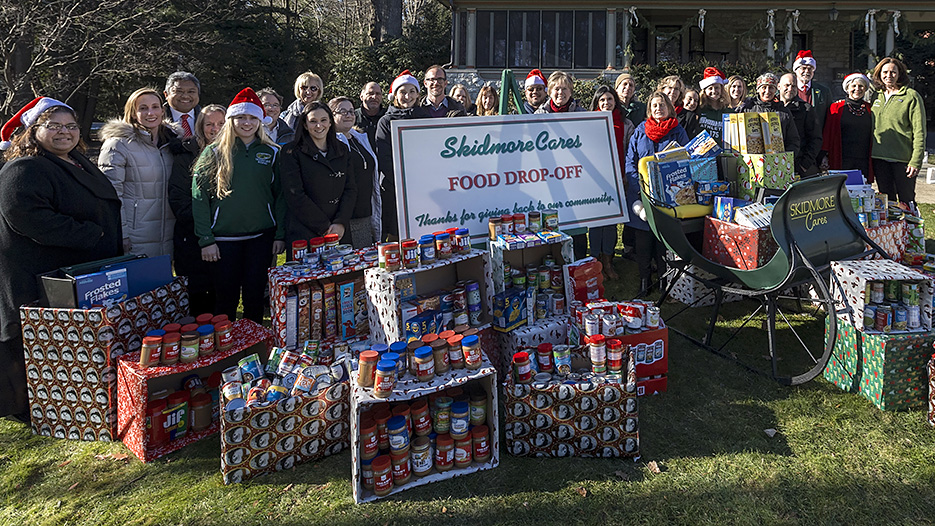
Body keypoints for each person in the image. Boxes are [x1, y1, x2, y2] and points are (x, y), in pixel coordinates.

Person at [0, 98, 122, 421]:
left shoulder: (75, 160)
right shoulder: (24, 168)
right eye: (53, 126)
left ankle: (67, 400)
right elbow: (26, 215)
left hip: (74, 272)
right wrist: (90, 235)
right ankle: (36, 409)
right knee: (34, 347)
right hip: (38, 276)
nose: (64, 132)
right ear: (33, 130)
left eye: (70, 126)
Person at [191, 88, 286, 322]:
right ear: (231, 120)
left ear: (260, 121)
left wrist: (279, 234)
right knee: (226, 300)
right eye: (241, 117)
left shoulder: (273, 152)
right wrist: (206, 240)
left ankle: (255, 350)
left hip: (261, 238)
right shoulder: (213, 152)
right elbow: (199, 197)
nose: (246, 123)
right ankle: (228, 352)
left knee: (255, 298)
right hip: (223, 241)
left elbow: (281, 197)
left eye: (253, 117)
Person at [98, 88, 177, 258]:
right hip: (135, 235)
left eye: (155, 107)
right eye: (143, 108)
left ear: (163, 111)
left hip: (170, 233)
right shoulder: (118, 144)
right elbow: (111, 194)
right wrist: (122, 233)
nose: (150, 113)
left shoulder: (173, 143)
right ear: (133, 113)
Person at [625, 91, 689, 296]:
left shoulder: (677, 130)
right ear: (649, 109)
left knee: (663, 242)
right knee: (643, 241)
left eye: (662, 105)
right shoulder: (640, 130)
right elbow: (630, 161)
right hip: (642, 194)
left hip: (668, 195)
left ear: (669, 107)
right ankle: (645, 281)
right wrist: (638, 188)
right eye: (654, 105)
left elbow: (686, 159)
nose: (658, 109)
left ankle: (663, 281)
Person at [167, 104, 225, 316]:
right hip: (191, 238)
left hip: (226, 237)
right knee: (198, 299)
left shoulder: (235, 154)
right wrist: (205, 223)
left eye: (221, 124)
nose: (215, 129)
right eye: (209, 124)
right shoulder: (186, 156)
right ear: (200, 127)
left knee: (223, 297)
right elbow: (179, 199)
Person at [535, 70, 588, 259]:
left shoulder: (582, 115)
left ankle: (580, 260)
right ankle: (554, 259)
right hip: (549, 178)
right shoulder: (539, 115)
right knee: (551, 220)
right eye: (556, 88)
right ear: (549, 91)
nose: (561, 93)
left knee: (577, 222)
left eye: (565, 89)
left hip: (575, 177)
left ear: (571, 91)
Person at [376, 70, 429, 241]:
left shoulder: (426, 118)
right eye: (403, 92)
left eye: (412, 91)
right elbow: (384, 157)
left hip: (423, 186)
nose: (408, 96)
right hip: (394, 187)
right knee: (396, 232)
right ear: (395, 96)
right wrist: (402, 182)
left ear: (418, 94)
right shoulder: (385, 121)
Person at [589, 86, 634, 281]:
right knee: (595, 223)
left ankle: (608, 262)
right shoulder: (587, 123)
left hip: (617, 179)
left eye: (609, 99)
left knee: (610, 223)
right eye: (602, 100)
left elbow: (630, 152)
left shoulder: (626, 124)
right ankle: (595, 261)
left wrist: (625, 174)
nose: (606, 103)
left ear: (615, 101)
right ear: (597, 104)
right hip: (594, 181)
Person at [870, 57, 927, 206]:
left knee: (907, 203)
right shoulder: (876, 96)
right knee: (887, 203)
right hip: (879, 158)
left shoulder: (911, 97)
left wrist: (916, 161)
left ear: (899, 74)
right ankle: (891, 230)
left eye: (893, 72)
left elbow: (919, 132)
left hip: (903, 160)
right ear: (879, 74)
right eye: (885, 72)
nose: (889, 75)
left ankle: (911, 229)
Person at [330, 96, 375, 248]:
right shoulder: (331, 143)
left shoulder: (359, 138)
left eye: (351, 111)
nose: (349, 115)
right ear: (331, 115)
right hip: (346, 214)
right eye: (343, 111)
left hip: (365, 210)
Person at [823, 73, 874, 182]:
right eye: (853, 86)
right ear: (847, 88)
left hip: (864, 159)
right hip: (842, 158)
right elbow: (828, 133)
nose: (857, 89)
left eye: (861, 86)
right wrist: (824, 155)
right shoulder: (836, 108)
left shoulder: (870, 109)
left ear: (865, 89)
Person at [738, 73, 801, 158]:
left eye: (771, 88)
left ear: (776, 90)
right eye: (764, 87)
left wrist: (786, 158)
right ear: (758, 89)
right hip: (752, 160)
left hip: (777, 161)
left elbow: (793, 140)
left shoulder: (783, 112)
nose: (767, 91)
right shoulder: (747, 108)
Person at [778, 73, 821, 177]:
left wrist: (804, 164)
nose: (790, 89)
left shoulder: (806, 109)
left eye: (793, 86)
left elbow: (816, 139)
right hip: (776, 163)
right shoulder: (773, 107)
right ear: (779, 86)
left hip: (798, 164)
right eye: (787, 85)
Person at [793, 50, 831, 133]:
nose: (806, 71)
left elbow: (829, 117)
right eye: (803, 68)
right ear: (796, 70)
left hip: (816, 137)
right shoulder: (789, 89)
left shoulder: (824, 91)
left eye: (810, 69)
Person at [696, 67, 732, 143]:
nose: (714, 91)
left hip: (724, 153)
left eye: (717, 88)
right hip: (703, 152)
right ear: (704, 91)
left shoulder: (729, 112)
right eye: (710, 88)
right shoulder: (698, 109)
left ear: (721, 89)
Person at [163, 72, 202, 139]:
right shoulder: (157, 119)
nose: (185, 96)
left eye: (191, 92)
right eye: (179, 91)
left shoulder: (207, 118)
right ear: (166, 94)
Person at [355, 81, 385, 147]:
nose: (374, 97)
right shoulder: (352, 118)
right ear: (361, 96)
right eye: (370, 93)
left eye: (378, 94)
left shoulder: (389, 117)